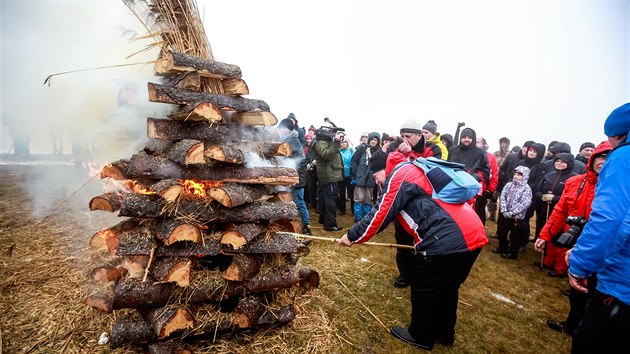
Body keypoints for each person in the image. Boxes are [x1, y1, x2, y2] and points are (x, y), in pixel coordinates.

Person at [338, 148, 487, 351]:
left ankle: (421, 335)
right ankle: (445, 334)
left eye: (376, 175)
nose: (376, 180)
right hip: (473, 235)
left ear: (384, 169)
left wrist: (352, 236)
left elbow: (380, 213)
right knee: (448, 289)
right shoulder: (418, 171)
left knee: (424, 287)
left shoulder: (400, 174)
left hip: (445, 241)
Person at [567, 103, 630, 353]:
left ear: (617, 135)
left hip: (621, 287)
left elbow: (610, 221)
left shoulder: (624, 157)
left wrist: (582, 263)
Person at [534, 141, 612, 336]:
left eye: (609, 157)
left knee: (597, 291)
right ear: (593, 159)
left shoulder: (617, 186)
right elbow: (560, 211)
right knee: (577, 290)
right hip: (576, 239)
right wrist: (545, 235)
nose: (604, 161)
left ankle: (590, 329)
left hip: (604, 245)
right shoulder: (575, 182)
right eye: (601, 156)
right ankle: (572, 325)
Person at [531, 153, 577, 248]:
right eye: (557, 161)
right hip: (544, 207)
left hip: (561, 211)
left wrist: (554, 198)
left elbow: (573, 197)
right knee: (543, 226)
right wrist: (542, 196)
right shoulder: (548, 175)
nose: (559, 163)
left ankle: (552, 255)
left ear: (570, 163)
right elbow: (538, 190)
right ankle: (543, 251)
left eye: (563, 162)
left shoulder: (574, 178)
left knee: (557, 232)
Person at [276, 118, 311, 236]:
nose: (279, 130)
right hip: (291, 175)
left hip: (297, 176)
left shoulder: (293, 140)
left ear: (287, 129)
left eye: (281, 128)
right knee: (288, 200)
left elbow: (290, 159)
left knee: (299, 202)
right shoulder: (286, 138)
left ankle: (307, 226)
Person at [493, 166, 532, 259]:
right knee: (502, 232)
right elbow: (503, 197)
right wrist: (504, 210)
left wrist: (513, 212)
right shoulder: (508, 185)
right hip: (505, 215)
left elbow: (525, 203)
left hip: (517, 217)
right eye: (515, 174)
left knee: (515, 236)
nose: (515, 176)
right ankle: (502, 247)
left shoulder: (526, 189)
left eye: (519, 175)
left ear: (525, 176)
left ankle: (512, 253)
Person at [313, 126, 345, 232]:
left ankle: (324, 220)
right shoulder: (320, 142)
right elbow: (326, 155)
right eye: (332, 132)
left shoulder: (323, 141)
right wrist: (336, 142)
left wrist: (334, 142)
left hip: (329, 175)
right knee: (330, 201)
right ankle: (330, 224)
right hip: (329, 176)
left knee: (324, 199)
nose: (333, 134)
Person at [350, 132, 380, 222]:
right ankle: (358, 219)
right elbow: (354, 161)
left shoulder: (378, 152)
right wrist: (354, 176)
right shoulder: (362, 149)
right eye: (372, 139)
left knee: (368, 200)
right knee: (358, 200)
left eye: (375, 140)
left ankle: (366, 219)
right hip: (360, 179)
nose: (373, 142)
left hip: (371, 181)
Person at [338, 139, 354, 216]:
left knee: (351, 193)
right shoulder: (338, 151)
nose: (343, 143)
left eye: (345, 142)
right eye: (342, 142)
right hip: (340, 175)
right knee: (341, 193)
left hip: (349, 175)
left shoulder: (351, 150)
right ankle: (342, 209)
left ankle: (353, 210)